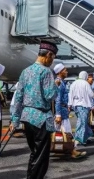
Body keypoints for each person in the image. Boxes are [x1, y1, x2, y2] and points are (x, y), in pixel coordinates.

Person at [10, 41, 58, 179]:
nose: (51, 62)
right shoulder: (46, 71)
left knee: (34, 152)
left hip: (27, 117)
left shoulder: (26, 71)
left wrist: (15, 119)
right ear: (48, 54)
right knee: (41, 156)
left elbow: (18, 97)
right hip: (41, 119)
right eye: (52, 58)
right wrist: (56, 85)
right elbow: (50, 95)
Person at [53, 63, 86, 158]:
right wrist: (58, 114)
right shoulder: (59, 83)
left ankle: (60, 149)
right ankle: (72, 151)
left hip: (62, 110)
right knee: (67, 132)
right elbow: (57, 99)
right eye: (65, 70)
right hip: (61, 112)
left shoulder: (61, 82)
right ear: (60, 72)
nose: (67, 72)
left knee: (59, 132)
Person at [68, 71, 94, 146]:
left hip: (75, 106)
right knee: (82, 122)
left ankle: (86, 137)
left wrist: (69, 105)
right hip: (84, 106)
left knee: (82, 121)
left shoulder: (73, 83)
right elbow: (91, 94)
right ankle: (79, 139)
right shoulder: (85, 83)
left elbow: (70, 95)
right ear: (85, 76)